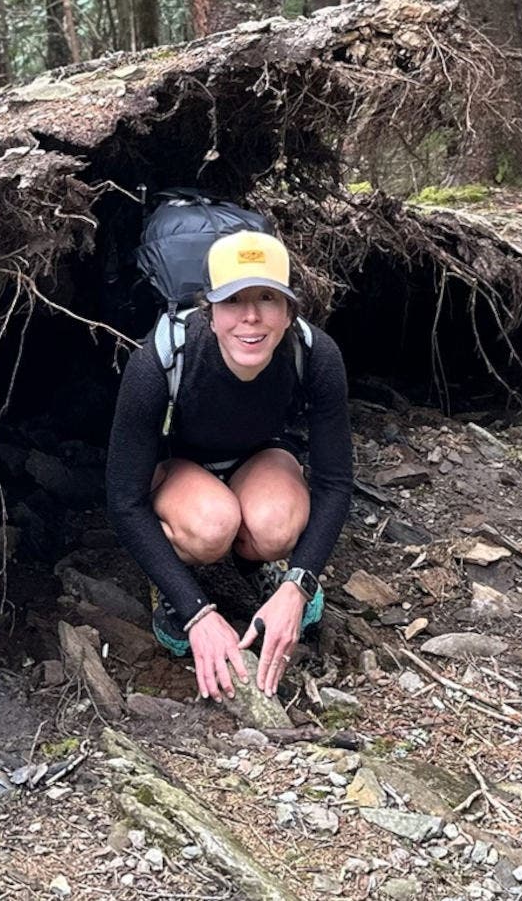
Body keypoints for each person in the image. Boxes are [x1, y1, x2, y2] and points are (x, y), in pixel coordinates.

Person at [106, 229, 353, 699]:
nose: (251, 317)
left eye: (268, 298)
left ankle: (255, 567)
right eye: (234, 300)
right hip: (180, 466)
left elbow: (336, 481)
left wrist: (298, 585)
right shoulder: (161, 360)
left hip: (260, 455)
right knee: (211, 524)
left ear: (289, 311)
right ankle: (175, 579)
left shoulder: (315, 355)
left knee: (276, 528)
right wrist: (196, 612)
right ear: (211, 311)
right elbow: (123, 498)